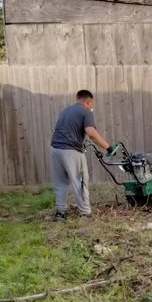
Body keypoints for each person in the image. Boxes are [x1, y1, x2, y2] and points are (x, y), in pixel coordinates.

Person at [49, 89, 112, 219]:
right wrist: (108, 147)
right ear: (88, 102)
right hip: (71, 150)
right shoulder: (86, 111)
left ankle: (60, 212)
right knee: (80, 181)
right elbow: (92, 134)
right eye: (91, 104)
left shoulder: (65, 111)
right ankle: (85, 213)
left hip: (55, 149)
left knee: (60, 182)